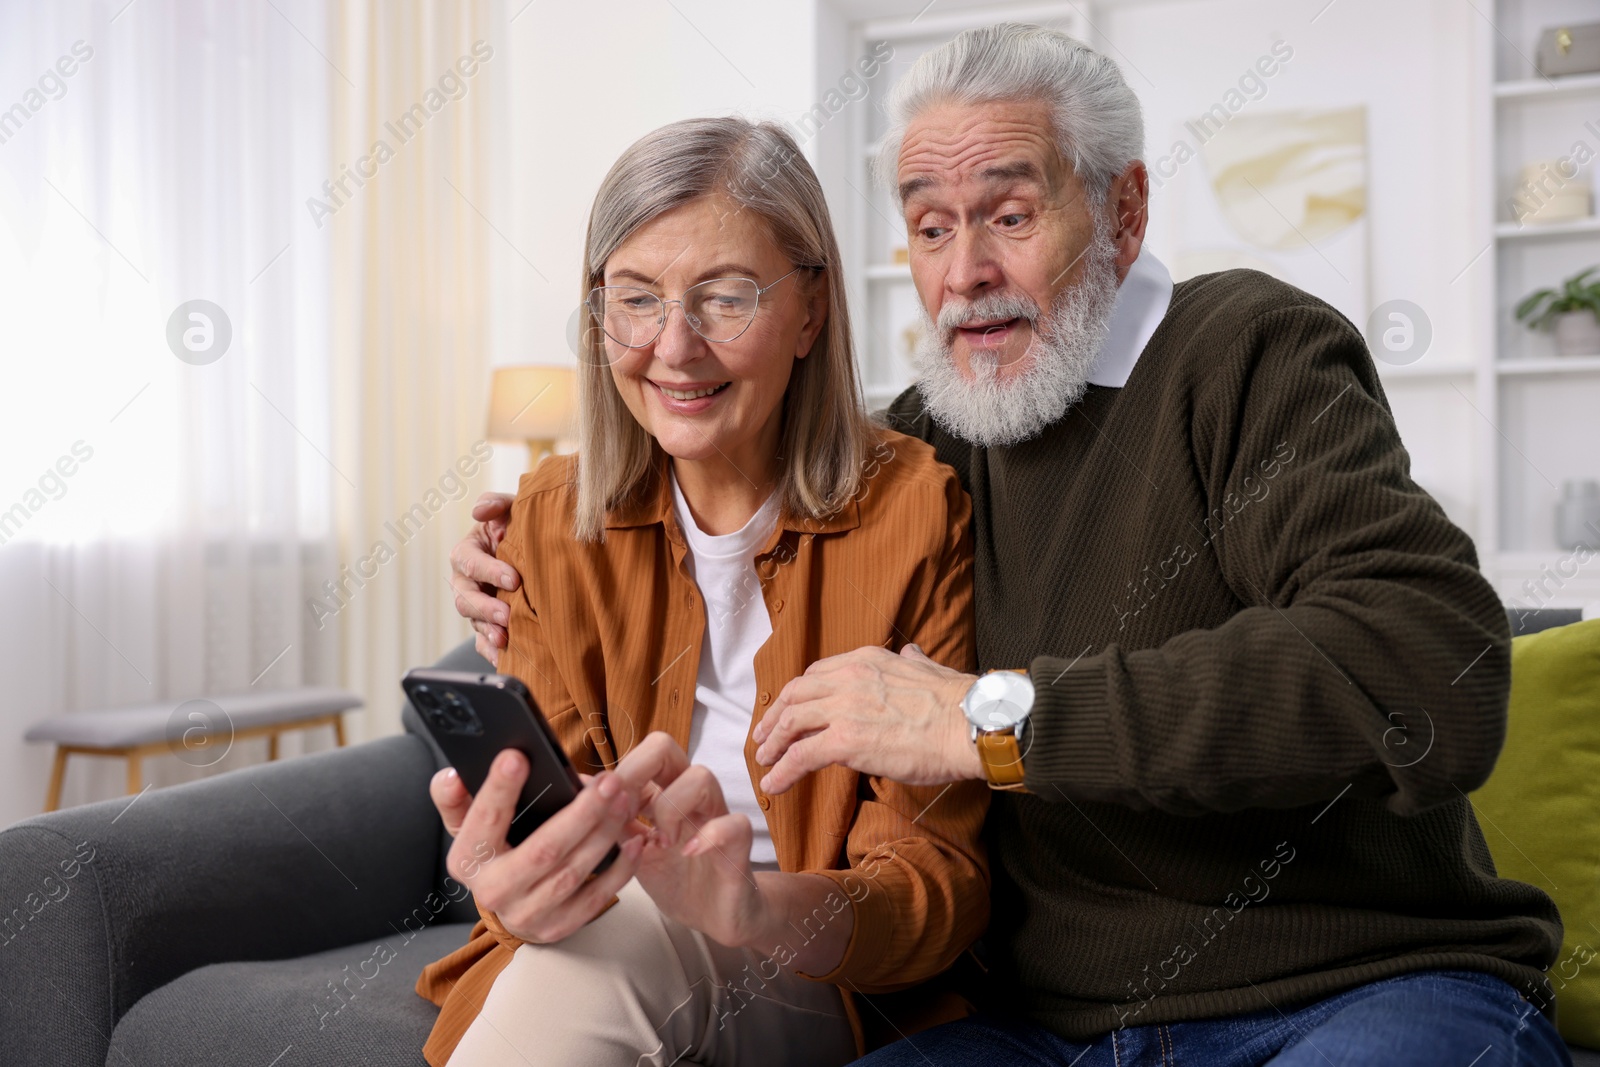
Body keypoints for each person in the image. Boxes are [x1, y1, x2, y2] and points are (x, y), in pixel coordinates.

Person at [450, 23, 1571, 1067]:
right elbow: (752, 478)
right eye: (931, 225)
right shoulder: (928, 449)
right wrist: (510, 557)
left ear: (1123, 212)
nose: (964, 270)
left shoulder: (1246, 351)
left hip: (1361, 985)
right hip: (1044, 1030)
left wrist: (987, 715)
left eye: (1010, 215)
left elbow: (1430, 669)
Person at [415, 116, 988, 1067]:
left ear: (811, 311)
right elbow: (548, 855)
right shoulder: (545, 524)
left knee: (626, 949)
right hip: (596, 946)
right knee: (613, 941)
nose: (674, 347)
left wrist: (750, 906)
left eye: (725, 299)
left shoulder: (915, 512)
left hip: (813, 974)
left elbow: (936, 885)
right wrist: (512, 882)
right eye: (636, 300)